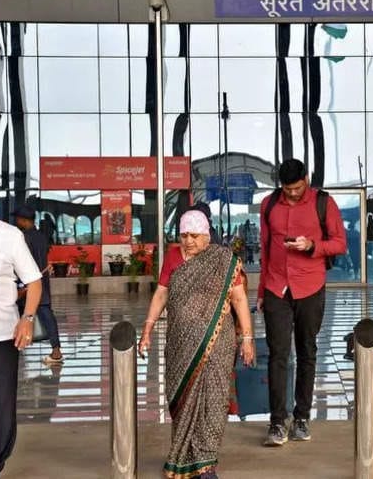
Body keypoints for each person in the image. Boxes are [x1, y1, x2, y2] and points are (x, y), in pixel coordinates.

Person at [138, 211, 255, 479]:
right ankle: (184, 456)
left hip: (217, 344)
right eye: (183, 235)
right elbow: (162, 293)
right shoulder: (173, 257)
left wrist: (247, 339)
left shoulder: (223, 260)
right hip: (180, 345)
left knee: (213, 400)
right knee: (182, 398)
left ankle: (206, 463)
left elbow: (238, 299)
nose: (188, 241)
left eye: (194, 236)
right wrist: (147, 328)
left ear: (206, 236)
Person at [258, 159, 346, 446]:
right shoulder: (269, 204)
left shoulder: (324, 203)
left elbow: (340, 243)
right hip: (276, 286)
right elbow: (265, 250)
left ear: (306, 179)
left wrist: (311, 246)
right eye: (288, 189)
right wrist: (261, 291)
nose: (293, 193)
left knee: (307, 351)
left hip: (310, 286)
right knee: (278, 354)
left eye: (297, 188)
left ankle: (302, 417)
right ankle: (277, 422)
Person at [0, 195, 43, 479]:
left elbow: (34, 281)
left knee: (0, 404)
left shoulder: (10, 237)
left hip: (0, 334)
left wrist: (28, 319)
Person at [13, 205, 64, 364]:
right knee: (46, 315)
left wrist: (20, 284)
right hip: (43, 282)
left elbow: (22, 264)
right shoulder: (42, 236)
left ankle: (55, 352)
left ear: (23, 220)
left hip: (30, 284)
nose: (16, 222)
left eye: (17, 219)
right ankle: (55, 349)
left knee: (27, 314)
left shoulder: (23, 238)